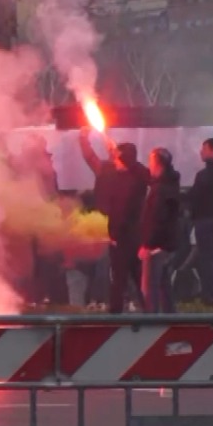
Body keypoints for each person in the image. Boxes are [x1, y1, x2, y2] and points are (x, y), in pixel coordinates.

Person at [79, 128, 150, 314]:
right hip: (109, 225)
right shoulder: (106, 168)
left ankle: (132, 303)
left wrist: (124, 156)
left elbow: (142, 174)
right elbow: (89, 157)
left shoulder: (134, 175)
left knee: (127, 271)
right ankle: (108, 301)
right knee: (113, 269)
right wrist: (83, 139)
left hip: (124, 230)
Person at [182, 138, 213, 304]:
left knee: (207, 259)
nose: (201, 152)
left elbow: (195, 196)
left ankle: (210, 295)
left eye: (204, 149)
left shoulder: (204, 175)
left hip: (204, 220)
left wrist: (178, 198)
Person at [139, 148, 182, 313]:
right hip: (166, 245)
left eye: (151, 161)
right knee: (165, 287)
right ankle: (170, 319)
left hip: (156, 247)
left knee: (151, 289)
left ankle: (152, 322)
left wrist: (147, 245)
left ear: (158, 164)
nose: (149, 165)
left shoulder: (160, 190)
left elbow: (156, 219)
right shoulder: (169, 185)